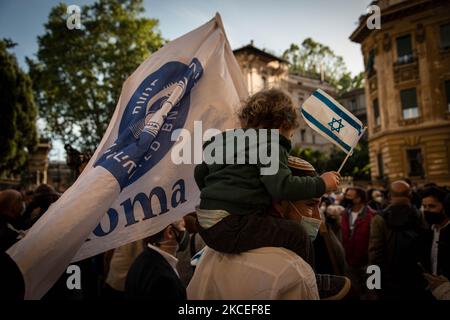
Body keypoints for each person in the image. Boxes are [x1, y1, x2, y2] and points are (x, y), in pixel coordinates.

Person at [194, 89, 340, 265]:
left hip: (204, 223)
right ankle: (310, 282)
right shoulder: (271, 143)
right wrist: (322, 183)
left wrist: (217, 194)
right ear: (282, 125)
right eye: (291, 135)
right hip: (231, 225)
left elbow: (200, 173)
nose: (289, 141)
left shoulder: (225, 141)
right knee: (297, 234)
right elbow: (281, 186)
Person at [368, 180, 428, 299]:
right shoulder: (420, 215)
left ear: (389, 196)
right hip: (415, 276)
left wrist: (373, 283)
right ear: (410, 194)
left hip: (389, 277)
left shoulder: (379, 219)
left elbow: (374, 253)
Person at [125, 220, 188, 300]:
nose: (185, 231)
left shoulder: (142, 259)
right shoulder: (164, 281)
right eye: (183, 226)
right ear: (170, 233)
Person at [340, 186, 376, 298]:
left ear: (359, 199)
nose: (346, 198)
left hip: (371, 265)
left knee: (374, 294)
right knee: (354, 294)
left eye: (349, 196)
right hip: (350, 263)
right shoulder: (345, 214)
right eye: (346, 195)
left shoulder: (373, 216)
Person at [418, 186, 450, 279]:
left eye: (432, 206)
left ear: (444, 207)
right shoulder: (426, 232)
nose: (427, 210)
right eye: (424, 206)